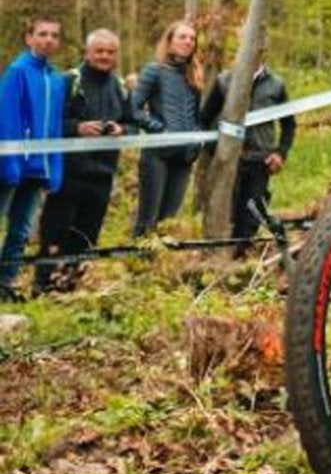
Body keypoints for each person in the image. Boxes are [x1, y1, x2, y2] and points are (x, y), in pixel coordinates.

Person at [34, 29, 141, 293]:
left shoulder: (120, 86)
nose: (104, 56)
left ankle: (70, 286)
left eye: (110, 52)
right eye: (99, 51)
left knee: (86, 235)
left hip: (103, 174)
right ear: (87, 52)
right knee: (56, 230)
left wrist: (121, 130)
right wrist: (77, 128)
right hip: (69, 172)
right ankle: (43, 284)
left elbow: (132, 124)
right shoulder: (70, 80)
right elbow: (47, 122)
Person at [200, 54, 296, 254]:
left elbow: (289, 124)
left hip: (260, 159)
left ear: (264, 50)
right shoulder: (224, 80)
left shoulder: (276, 85)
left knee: (251, 212)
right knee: (227, 210)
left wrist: (280, 153)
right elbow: (204, 119)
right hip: (229, 159)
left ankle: (240, 258)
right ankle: (217, 257)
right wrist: (215, 152)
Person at [0, 16, 65, 300]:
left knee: (22, 229)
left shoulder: (56, 79)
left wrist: (56, 166)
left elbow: (56, 127)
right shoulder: (17, 71)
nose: (48, 39)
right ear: (29, 38)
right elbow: (7, 117)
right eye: (42, 34)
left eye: (53, 35)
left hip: (38, 168)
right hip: (12, 165)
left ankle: (6, 283)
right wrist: (10, 161)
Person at [130, 19, 204, 237]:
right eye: (182, 37)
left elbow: (198, 116)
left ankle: (159, 265)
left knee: (168, 223)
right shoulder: (154, 70)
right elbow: (132, 108)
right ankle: (138, 265)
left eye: (192, 38)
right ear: (170, 42)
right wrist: (159, 131)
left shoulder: (195, 76)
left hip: (185, 157)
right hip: (157, 155)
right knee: (148, 221)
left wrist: (197, 138)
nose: (188, 41)